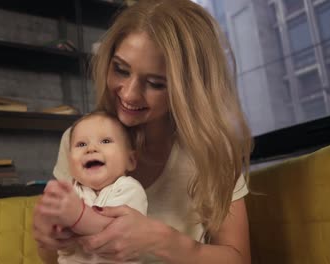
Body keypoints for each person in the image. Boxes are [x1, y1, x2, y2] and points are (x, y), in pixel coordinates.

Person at [33, 0, 252, 263]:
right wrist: (49, 237)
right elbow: (52, 257)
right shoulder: (79, 140)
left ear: (188, 90)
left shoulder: (212, 152)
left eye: (155, 84)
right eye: (120, 69)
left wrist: (165, 242)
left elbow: (239, 259)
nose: (129, 93)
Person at [39, 111, 147, 263]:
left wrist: (78, 216)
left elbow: (114, 237)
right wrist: (55, 231)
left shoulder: (129, 189)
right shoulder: (71, 191)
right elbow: (64, 248)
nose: (91, 148)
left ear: (130, 160)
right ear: (70, 163)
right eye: (81, 144)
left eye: (105, 141)